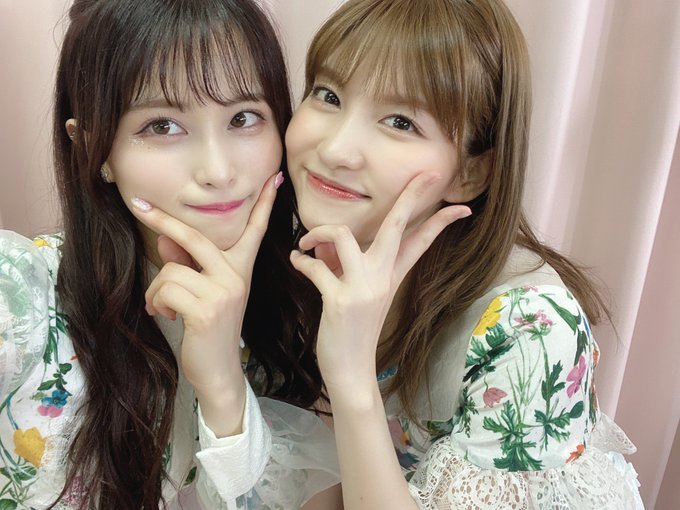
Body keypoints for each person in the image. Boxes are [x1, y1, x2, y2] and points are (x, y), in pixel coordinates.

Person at [277, 0, 644, 508]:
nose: (336, 149)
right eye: (328, 95)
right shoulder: (310, 257)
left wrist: (351, 378)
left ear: (471, 173)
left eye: (400, 122)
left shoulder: (530, 329)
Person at [0, 0, 316, 508]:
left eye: (244, 117)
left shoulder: (284, 316)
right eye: (162, 126)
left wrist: (222, 381)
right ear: (94, 150)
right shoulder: (20, 294)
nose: (218, 171)